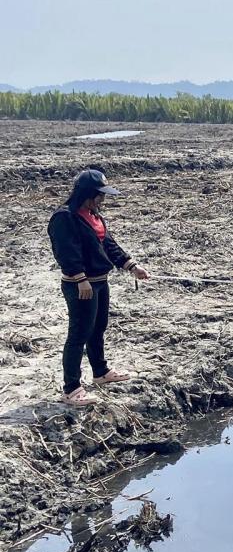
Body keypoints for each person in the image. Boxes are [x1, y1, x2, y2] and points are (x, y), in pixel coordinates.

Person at [47, 169, 149, 406]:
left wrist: (132, 266)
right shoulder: (65, 218)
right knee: (78, 334)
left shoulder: (94, 215)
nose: (103, 199)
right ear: (87, 193)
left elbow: (109, 246)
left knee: (98, 328)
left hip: (100, 281)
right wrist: (80, 277)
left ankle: (100, 372)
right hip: (81, 285)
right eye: (100, 194)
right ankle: (71, 389)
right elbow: (65, 251)